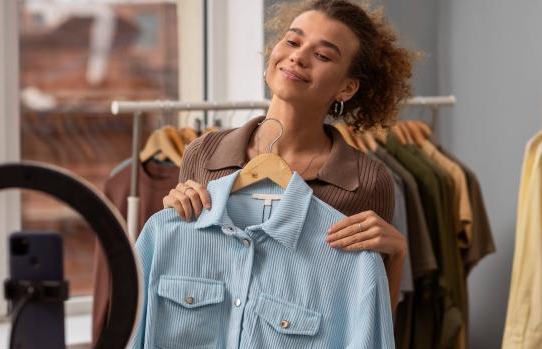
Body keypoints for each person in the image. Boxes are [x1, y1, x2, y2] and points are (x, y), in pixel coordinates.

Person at [163, 0, 415, 307]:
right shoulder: (203, 154)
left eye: (322, 55)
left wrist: (397, 254)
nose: (298, 56)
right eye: (293, 41)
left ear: (347, 88)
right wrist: (173, 214)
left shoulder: (366, 182)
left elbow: (368, 324)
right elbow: (183, 273)